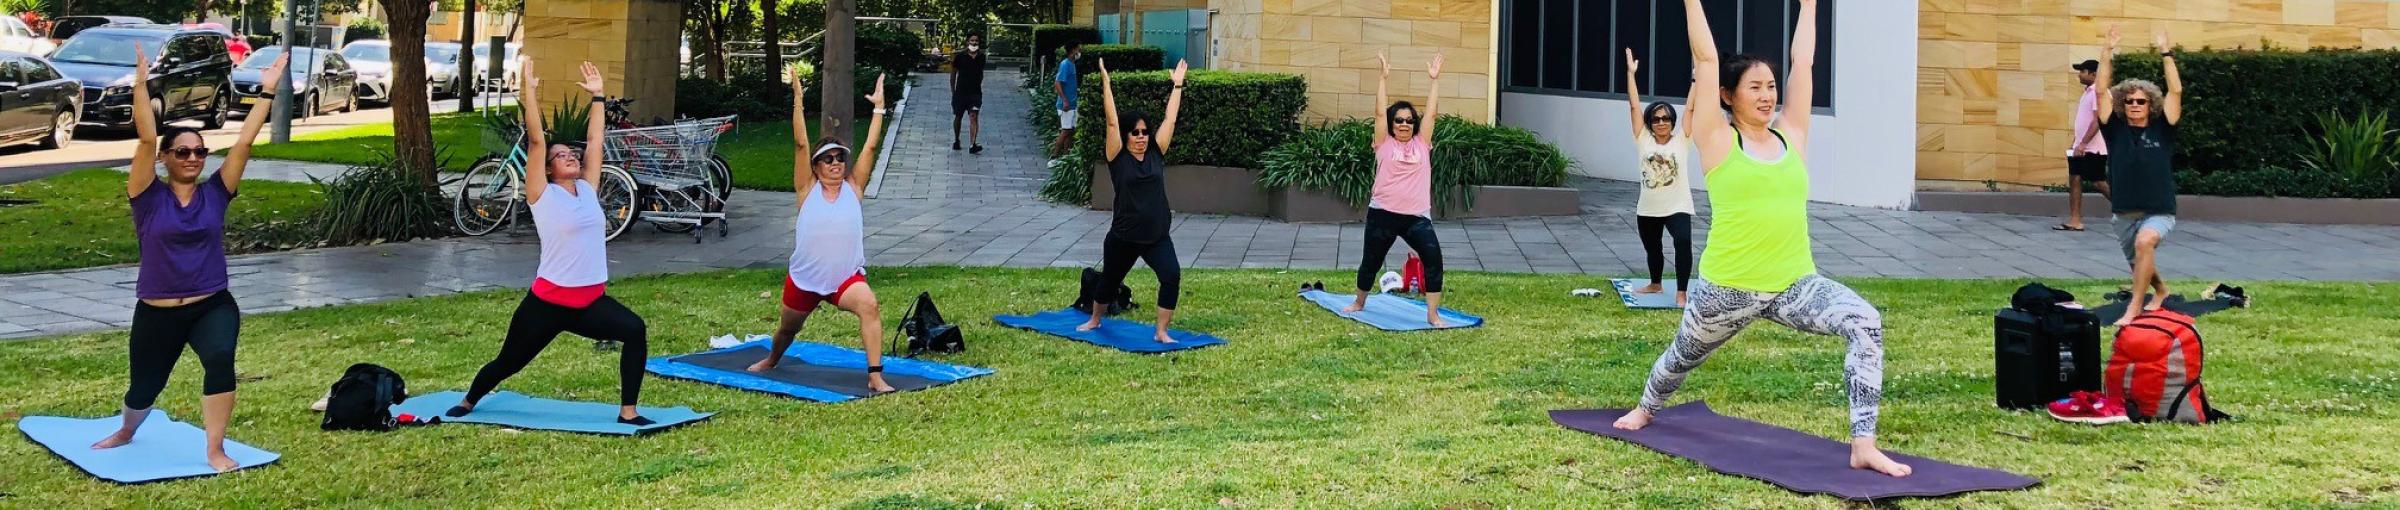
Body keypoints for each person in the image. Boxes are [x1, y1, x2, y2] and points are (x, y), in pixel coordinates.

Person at [1613, 0, 1912, 478]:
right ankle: (1647, 407)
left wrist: (1810, 6)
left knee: (1865, 321)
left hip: (1795, 284)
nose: (1768, 95)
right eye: (1755, 87)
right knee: (1679, 359)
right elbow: (1706, 59)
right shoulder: (1716, 140)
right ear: (1728, 97)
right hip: (1726, 289)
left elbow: (1804, 62)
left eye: (1770, 87)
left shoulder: (1793, 135)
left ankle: (1863, 444)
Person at [91, 49, 288, 473]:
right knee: (144, 388)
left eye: (199, 151)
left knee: (220, 358)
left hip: (211, 304)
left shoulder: (216, 192)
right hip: (157, 311)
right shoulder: (147, 196)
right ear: (165, 159)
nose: (193, 158)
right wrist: (141, 85)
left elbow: (245, 141)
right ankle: (127, 430)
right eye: (181, 152)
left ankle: (215, 449)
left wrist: (268, 90)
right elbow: (145, 138)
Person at [447, 58, 655, 425]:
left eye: (571, 154)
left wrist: (597, 97)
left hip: (590, 301)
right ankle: (469, 399)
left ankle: (628, 412)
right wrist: (529, 90)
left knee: (635, 330)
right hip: (546, 304)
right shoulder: (541, 194)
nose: (571, 156)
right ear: (547, 168)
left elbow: (595, 140)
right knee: (508, 363)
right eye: (561, 156)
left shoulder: (588, 189)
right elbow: (537, 139)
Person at [745, 71, 897, 393]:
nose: (835, 163)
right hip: (805, 279)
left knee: (869, 304)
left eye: (839, 158)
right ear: (816, 166)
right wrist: (798, 100)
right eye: (827, 159)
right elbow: (801, 142)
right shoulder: (806, 189)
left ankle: (874, 376)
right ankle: (772, 359)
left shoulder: (854, 187)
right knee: (787, 330)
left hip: (845, 279)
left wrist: (879, 109)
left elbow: (870, 148)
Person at [1076, 57, 1190, 343]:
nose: (1141, 137)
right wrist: (1106, 82)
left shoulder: (1156, 152)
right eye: (1135, 133)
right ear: (1127, 136)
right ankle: (1095, 319)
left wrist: (1177, 85)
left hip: (1156, 236)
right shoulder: (1117, 157)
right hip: (1124, 237)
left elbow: (1170, 119)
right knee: (1109, 282)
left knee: (1171, 275)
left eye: (1144, 132)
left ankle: (1161, 332)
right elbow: (1112, 121)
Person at [1342, 51, 1451, 327]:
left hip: (1416, 217)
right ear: (1392, 124)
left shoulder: (1422, 143)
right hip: (1383, 214)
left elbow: (1434, 113)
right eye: (1399, 120)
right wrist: (1382, 78)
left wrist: (1435, 80)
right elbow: (1378, 112)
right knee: (1371, 262)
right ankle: (1359, 301)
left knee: (1434, 258)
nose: (1404, 124)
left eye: (1409, 120)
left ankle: (1432, 314)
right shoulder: (1384, 143)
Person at [2093, 24, 2184, 326]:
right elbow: (2100, 89)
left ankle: (2134, 309)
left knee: (2145, 244)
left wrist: (2165, 52)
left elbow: (2176, 90)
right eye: (2129, 101)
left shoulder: (2163, 129)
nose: (2134, 105)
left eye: (2140, 101)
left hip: (2159, 210)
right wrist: (2107, 51)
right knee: (2139, 261)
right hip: (2124, 212)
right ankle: (2160, 290)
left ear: (2150, 105)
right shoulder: (2113, 128)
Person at [1624, 47, 1697, 307]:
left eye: (1666, 118)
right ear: (1650, 123)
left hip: (1677, 206)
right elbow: (1634, 106)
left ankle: (1681, 292)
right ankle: (1655, 283)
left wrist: (1695, 80)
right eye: (1656, 119)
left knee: (1683, 242)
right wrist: (1631, 74)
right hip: (1648, 208)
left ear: (1672, 122)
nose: (1661, 122)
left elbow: (1690, 109)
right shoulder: (1642, 139)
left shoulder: (1682, 141)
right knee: (1653, 248)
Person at [2059, 59, 2110, 231]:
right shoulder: (2088, 92)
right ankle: (2075, 220)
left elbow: (2098, 120)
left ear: (2093, 74)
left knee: (2098, 182)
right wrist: (2076, 143)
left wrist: (2084, 143)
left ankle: (2130, 211)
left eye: (2083, 71)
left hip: (2094, 148)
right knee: (2075, 179)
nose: (2080, 74)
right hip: (2080, 147)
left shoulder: (2098, 92)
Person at [951, 33, 986, 154]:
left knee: (974, 116)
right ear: (967, 42)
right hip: (960, 92)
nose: (974, 42)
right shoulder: (960, 56)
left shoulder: (981, 56)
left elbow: (981, 73)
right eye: (972, 40)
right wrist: (953, 90)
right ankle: (956, 139)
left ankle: (972, 144)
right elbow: (953, 73)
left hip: (975, 93)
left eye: (976, 40)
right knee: (958, 116)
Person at [1051, 41, 1083, 158]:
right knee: (1065, 131)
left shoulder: (1072, 64)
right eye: (1079, 49)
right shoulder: (1065, 64)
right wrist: (1064, 100)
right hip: (1067, 105)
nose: (1080, 52)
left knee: (1070, 132)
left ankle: (1066, 156)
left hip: (1072, 103)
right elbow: (1058, 83)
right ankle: (1054, 155)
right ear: (1073, 50)